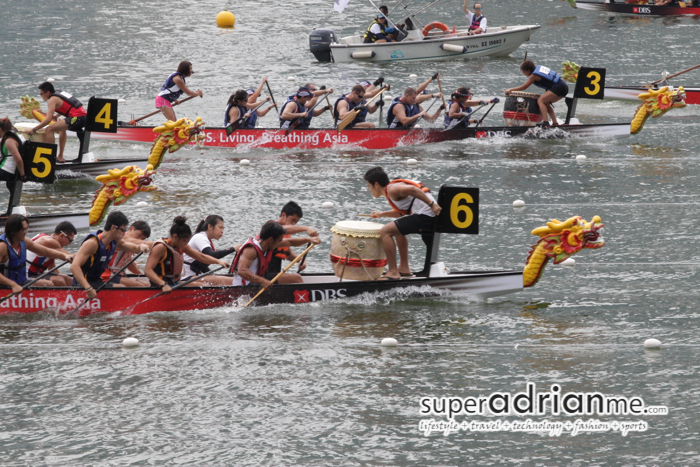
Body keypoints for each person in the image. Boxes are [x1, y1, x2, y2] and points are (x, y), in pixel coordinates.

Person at [364, 167, 442, 280]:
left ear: (376, 184)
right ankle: (404, 268)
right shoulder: (392, 190)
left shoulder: (392, 189)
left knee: (385, 231)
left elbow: (412, 189)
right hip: (426, 216)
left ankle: (393, 272)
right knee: (397, 230)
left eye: (369, 186)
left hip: (426, 217)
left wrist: (431, 204)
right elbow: (401, 213)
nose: (369, 190)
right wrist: (382, 214)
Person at [70, 211, 151, 300]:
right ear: (113, 228)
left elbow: (134, 248)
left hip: (97, 281)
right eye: (122, 230)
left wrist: (141, 246)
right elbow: (74, 267)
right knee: (120, 288)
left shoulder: (115, 242)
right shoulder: (92, 243)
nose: (124, 233)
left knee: (122, 287)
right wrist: (88, 288)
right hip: (84, 283)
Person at [145, 216, 229, 294]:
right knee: (206, 288)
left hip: (175, 283)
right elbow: (148, 270)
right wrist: (163, 284)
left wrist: (219, 262)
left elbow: (201, 257)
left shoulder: (182, 246)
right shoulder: (160, 247)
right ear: (175, 237)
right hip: (160, 286)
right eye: (185, 241)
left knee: (209, 287)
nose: (186, 244)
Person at [232, 221, 320, 288]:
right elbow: (242, 271)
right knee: (295, 278)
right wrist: (263, 281)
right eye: (279, 241)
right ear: (271, 240)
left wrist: (309, 240)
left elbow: (290, 242)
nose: (279, 244)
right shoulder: (251, 249)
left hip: (255, 281)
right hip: (245, 286)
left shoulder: (267, 243)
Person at [0, 215, 74, 294]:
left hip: (21, 280)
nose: (26, 232)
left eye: (27, 228)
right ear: (14, 230)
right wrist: (13, 285)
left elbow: (46, 251)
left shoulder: (24, 241)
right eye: (23, 229)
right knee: (49, 284)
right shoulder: (3, 246)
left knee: (65, 280)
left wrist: (65, 256)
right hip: (7, 284)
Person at [26, 82, 87, 163]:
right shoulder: (58, 94)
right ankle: (60, 157)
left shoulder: (52, 100)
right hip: (83, 117)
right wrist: (56, 116)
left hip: (77, 118)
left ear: (48, 93)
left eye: (41, 93)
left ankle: (50, 158)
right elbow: (68, 105)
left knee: (49, 130)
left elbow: (48, 120)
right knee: (61, 129)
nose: (40, 96)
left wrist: (33, 129)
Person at [264, 202, 319, 283]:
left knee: (294, 277)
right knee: (296, 278)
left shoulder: (282, 235)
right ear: (283, 215)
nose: (293, 224)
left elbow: (286, 252)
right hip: (261, 276)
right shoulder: (270, 228)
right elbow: (289, 240)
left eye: (296, 222)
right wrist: (306, 229)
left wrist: (301, 260)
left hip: (272, 275)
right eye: (292, 220)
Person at [504, 60, 569, 127]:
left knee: (540, 101)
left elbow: (524, 87)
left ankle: (546, 122)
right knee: (546, 103)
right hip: (564, 88)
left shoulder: (534, 76)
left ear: (528, 70)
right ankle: (555, 123)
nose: (523, 73)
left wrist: (510, 89)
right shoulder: (538, 69)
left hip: (559, 87)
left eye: (523, 71)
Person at [181, 215, 238, 285]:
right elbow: (211, 255)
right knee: (234, 282)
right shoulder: (200, 237)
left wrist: (213, 275)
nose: (222, 231)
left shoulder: (206, 240)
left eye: (223, 228)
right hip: (187, 277)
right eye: (220, 228)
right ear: (210, 226)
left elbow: (202, 265)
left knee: (232, 279)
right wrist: (233, 249)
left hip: (195, 275)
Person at [100, 220, 153, 287]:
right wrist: (162, 243)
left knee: (147, 284)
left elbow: (129, 262)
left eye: (143, 238)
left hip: (118, 274)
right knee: (139, 286)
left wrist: (140, 274)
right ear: (131, 229)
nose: (140, 239)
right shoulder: (122, 237)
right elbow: (134, 243)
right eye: (139, 235)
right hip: (107, 274)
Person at [26, 221, 76, 287]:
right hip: (26, 274)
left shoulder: (49, 239)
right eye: (70, 240)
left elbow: (52, 267)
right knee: (59, 281)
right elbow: (72, 258)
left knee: (68, 279)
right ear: (62, 235)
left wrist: (64, 277)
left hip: (34, 274)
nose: (70, 243)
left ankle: (73, 295)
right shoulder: (49, 241)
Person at [0, 118, 28, 214]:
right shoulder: (13, 135)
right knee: (10, 186)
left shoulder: (9, 141)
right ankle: (10, 212)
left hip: (8, 171)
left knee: (10, 184)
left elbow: (19, 159)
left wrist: (23, 175)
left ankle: (10, 211)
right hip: (11, 170)